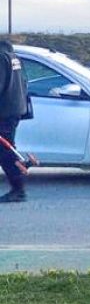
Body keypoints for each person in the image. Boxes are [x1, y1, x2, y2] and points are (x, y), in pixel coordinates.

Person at [0, 39, 30, 203]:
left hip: (4, 112)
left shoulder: (0, 57)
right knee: (7, 149)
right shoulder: (12, 55)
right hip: (14, 109)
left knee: (5, 151)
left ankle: (18, 190)